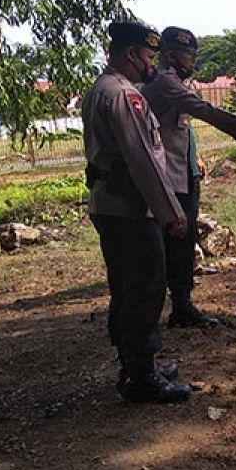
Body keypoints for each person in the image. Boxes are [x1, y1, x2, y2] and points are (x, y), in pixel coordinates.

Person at [82, 22, 191, 404]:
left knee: (125, 289)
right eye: (147, 56)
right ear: (130, 54)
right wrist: (171, 213)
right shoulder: (125, 96)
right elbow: (142, 160)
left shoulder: (99, 88)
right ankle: (143, 379)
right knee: (145, 288)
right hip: (129, 207)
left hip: (110, 203)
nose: (151, 65)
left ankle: (135, 366)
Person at [142, 26, 236, 328]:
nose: (193, 62)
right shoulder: (164, 83)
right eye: (189, 55)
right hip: (169, 176)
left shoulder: (173, 82)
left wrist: (195, 158)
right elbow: (203, 109)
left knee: (185, 238)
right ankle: (181, 305)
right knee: (177, 238)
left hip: (184, 171)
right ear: (172, 54)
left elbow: (181, 128)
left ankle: (182, 299)